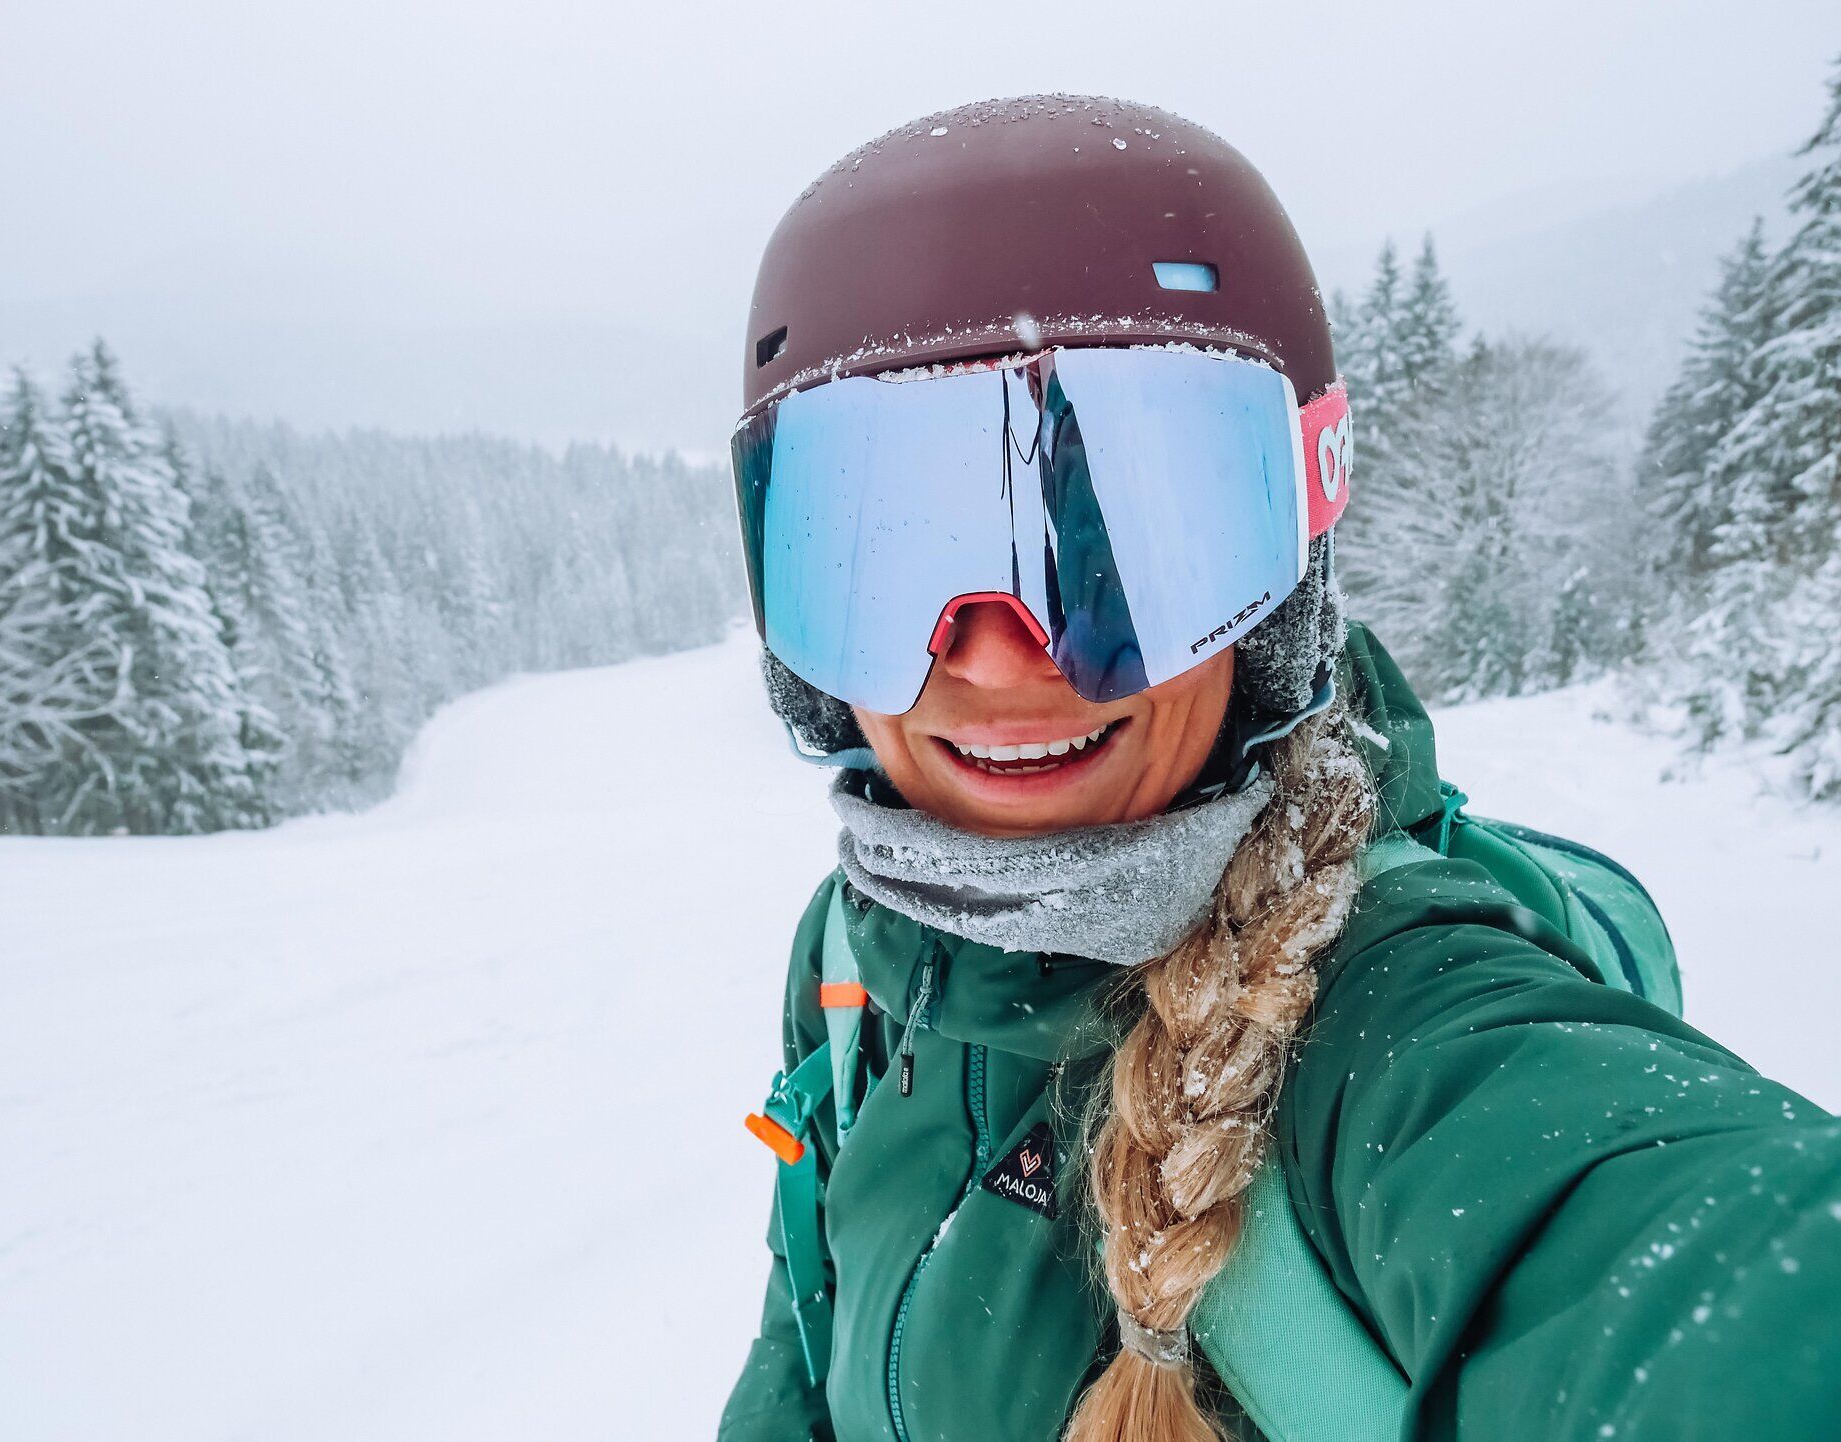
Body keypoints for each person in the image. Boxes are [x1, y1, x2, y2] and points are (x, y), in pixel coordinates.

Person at [717, 97, 1841, 1442]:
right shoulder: (856, 963)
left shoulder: (1391, 1025)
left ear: (1270, 600)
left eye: (1123, 557)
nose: (1003, 660)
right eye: (883, 555)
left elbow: (1687, 1269)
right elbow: (803, 1343)